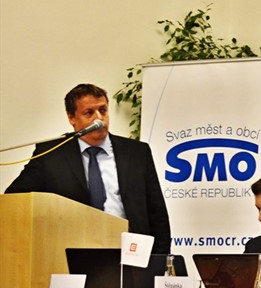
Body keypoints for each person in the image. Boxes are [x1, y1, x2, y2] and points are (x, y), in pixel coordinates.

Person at [5, 83, 171, 253]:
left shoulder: (137, 152)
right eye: (89, 113)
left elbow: (157, 213)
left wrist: (160, 259)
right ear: (71, 118)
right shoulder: (50, 154)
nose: (99, 119)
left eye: (103, 110)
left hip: (132, 251)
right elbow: (14, 199)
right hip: (72, 252)